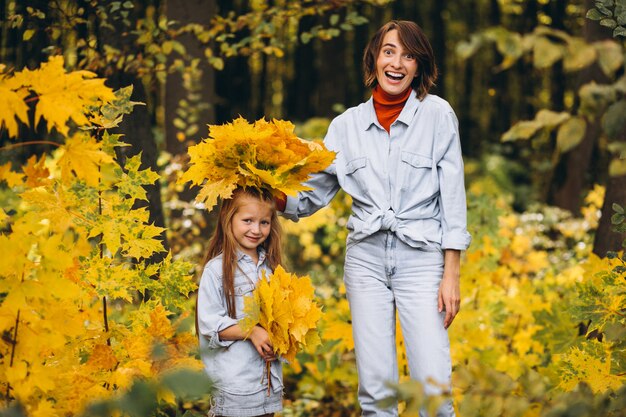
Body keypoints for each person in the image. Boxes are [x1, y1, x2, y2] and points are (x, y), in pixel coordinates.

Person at [279, 20, 471, 416]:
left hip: (421, 261)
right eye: (389, 51)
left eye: (408, 55)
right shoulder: (346, 126)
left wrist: (451, 274)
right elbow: (312, 194)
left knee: (433, 388)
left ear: (419, 67)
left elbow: (453, 198)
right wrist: (265, 194)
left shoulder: (437, 115)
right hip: (364, 261)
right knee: (376, 392)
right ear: (374, 58)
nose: (397, 62)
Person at [197, 187, 283, 417]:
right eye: (248, 220)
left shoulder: (271, 268)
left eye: (264, 222)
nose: (256, 229)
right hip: (235, 388)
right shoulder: (216, 270)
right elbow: (210, 325)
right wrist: (252, 331)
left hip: (267, 386)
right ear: (229, 218)